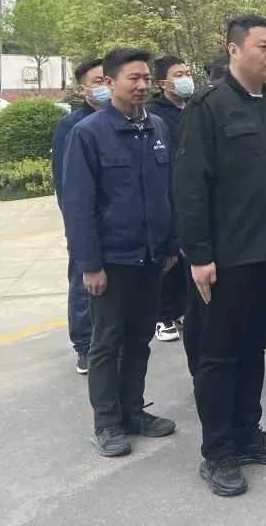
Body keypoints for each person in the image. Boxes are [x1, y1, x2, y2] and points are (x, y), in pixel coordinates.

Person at [174, 15, 266, 496]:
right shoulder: (208, 107)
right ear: (233, 50)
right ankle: (218, 452)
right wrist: (199, 255)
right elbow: (190, 186)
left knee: (255, 347)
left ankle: (247, 433)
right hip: (228, 258)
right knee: (217, 355)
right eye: (262, 46)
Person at [60, 48, 177, 457]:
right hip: (112, 261)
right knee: (107, 342)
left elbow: (168, 192)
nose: (142, 85)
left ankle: (133, 411)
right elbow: (78, 206)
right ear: (110, 83)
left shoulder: (157, 127)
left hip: (151, 257)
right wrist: (90, 265)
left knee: (140, 338)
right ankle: (107, 423)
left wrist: (170, 244)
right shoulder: (88, 133)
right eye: (133, 78)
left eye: (146, 77)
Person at [51, 57, 107, 374]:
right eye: (97, 82)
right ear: (82, 88)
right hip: (86, 221)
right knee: (83, 281)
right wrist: (76, 228)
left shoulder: (125, 120)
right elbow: (66, 186)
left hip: (118, 224)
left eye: (107, 80)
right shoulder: (72, 127)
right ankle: (84, 345)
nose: (104, 87)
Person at [148, 55, 194, 343]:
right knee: (169, 257)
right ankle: (163, 315)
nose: (186, 78)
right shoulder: (155, 114)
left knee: (188, 254)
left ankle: (185, 307)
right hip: (167, 193)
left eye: (187, 72)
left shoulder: (195, 108)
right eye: (179, 74)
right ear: (163, 83)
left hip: (191, 193)